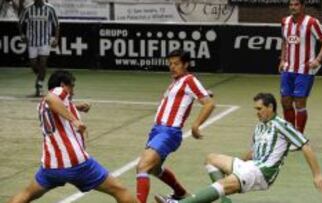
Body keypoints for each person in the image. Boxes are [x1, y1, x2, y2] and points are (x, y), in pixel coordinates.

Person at [154, 92, 322, 203]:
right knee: (211, 159)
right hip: (250, 167)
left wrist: (317, 174)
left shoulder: (281, 125)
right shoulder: (259, 126)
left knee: (224, 184)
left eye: (260, 109)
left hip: (262, 173)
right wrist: (236, 166)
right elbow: (253, 152)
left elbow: (306, 146)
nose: (257, 112)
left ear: (271, 107)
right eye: (255, 109)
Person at [7, 70, 138, 203]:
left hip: (51, 166)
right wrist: (74, 120)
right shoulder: (57, 92)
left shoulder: (41, 106)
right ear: (63, 85)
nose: (73, 91)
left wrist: (75, 107)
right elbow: (51, 98)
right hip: (76, 163)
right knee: (119, 190)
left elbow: (53, 106)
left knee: (26, 194)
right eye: (72, 87)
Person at [136, 49, 216, 203]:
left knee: (142, 167)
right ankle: (180, 194)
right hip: (157, 131)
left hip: (168, 132)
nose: (172, 67)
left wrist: (196, 125)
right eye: (170, 64)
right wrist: (204, 92)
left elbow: (209, 103)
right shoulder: (176, 82)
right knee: (154, 169)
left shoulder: (188, 80)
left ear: (186, 64)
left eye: (177, 64)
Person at [278, 0, 322, 143]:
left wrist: (318, 60)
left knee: (300, 104)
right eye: (291, 5)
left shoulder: (312, 22)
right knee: (285, 102)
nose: (293, 7)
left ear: (302, 6)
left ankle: (299, 137)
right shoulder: (285, 21)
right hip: (288, 70)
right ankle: (290, 134)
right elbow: (284, 41)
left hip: (305, 71)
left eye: (296, 5)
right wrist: (282, 60)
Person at [18, 0, 59, 97]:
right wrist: (22, 35)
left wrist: (56, 38)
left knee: (43, 63)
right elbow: (20, 22)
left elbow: (56, 25)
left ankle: (39, 85)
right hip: (32, 41)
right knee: (33, 64)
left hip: (45, 41)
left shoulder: (50, 8)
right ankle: (41, 75)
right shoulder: (28, 9)